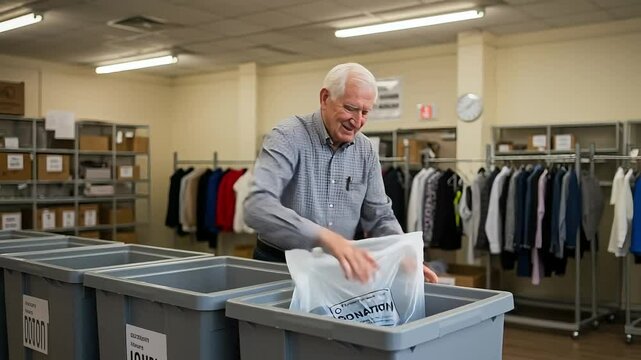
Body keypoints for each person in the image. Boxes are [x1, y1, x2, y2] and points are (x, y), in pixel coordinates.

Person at [244, 62, 438, 284]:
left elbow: (379, 216)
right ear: (325, 98)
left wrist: (403, 254)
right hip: (280, 266)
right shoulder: (287, 136)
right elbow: (256, 207)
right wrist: (322, 237)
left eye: (365, 112)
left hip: (337, 270)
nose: (357, 121)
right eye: (350, 108)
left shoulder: (365, 150)